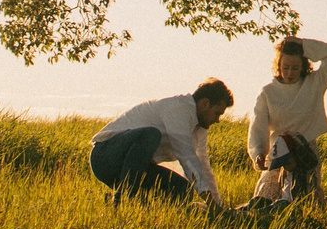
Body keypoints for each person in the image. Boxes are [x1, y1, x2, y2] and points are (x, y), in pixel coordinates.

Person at [90, 79, 234, 205]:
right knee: (150, 134)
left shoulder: (200, 129)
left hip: (134, 168)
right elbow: (186, 155)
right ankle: (122, 201)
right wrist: (209, 202)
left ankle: (137, 206)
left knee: (182, 189)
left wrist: (216, 204)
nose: (217, 120)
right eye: (217, 113)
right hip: (105, 157)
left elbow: (202, 165)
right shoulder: (179, 109)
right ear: (205, 103)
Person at [247, 36, 327, 204]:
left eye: (295, 68)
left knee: (305, 199)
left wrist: (303, 44)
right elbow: (258, 125)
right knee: (265, 198)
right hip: (278, 151)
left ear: (303, 66)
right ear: (278, 65)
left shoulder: (314, 83)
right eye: (286, 67)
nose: (290, 73)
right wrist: (258, 153)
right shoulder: (268, 92)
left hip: (306, 151)